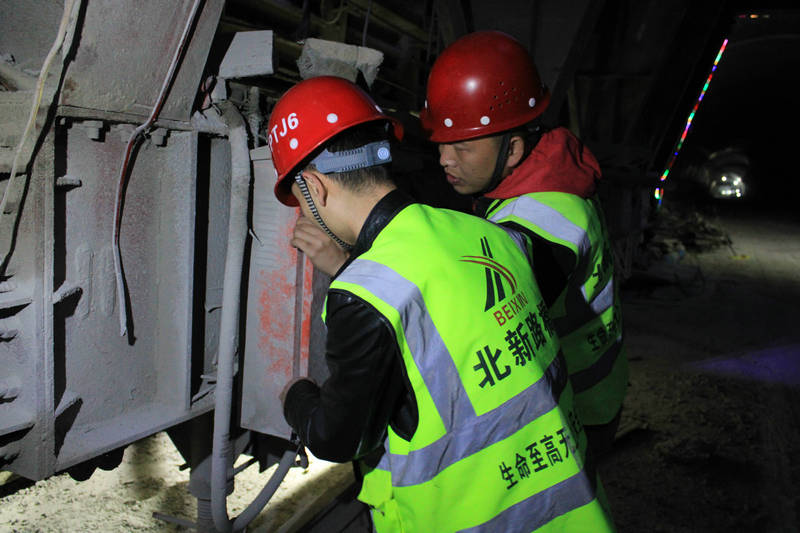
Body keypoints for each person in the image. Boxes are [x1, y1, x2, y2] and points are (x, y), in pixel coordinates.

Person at [269, 75, 615, 532]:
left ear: (314, 187)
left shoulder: (362, 296)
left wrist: (295, 397)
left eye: (299, 199)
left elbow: (339, 438)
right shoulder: (492, 233)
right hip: (576, 512)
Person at [419, 31, 628, 455]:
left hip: (574, 413)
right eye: (441, 143)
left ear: (512, 149)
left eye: (462, 146)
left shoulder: (545, 222)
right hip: (592, 392)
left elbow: (478, 320)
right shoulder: (552, 172)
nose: (444, 159)